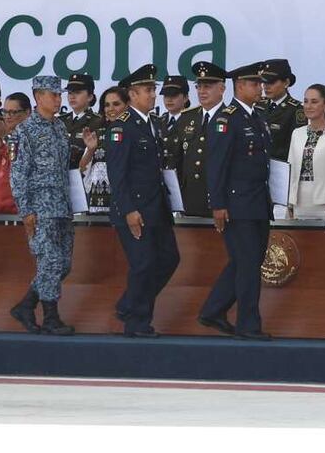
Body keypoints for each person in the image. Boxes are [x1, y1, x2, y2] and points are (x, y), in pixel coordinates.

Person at [198, 62, 273, 341]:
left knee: (247, 261)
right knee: (248, 264)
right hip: (236, 204)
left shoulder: (257, 117)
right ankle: (248, 325)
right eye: (254, 84)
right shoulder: (226, 119)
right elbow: (216, 165)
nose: (260, 88)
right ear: (239, 86)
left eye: (260, 84)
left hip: (258, 202)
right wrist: (217, 204)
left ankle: (213, 310)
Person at [105, 65, 180, 338]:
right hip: (134, 209)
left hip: (156, 207)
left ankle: (129, 304)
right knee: (143, 264)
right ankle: (137, 323)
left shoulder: (152, 123)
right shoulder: (121, 127)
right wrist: (128, 210)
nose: (153, 95)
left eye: (152, 90)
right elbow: (117, 174)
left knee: (170, 258)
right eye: (148, 90)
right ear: (133, 94)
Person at [9, 76, 74, 336]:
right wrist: (26, 211)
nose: (58, 99)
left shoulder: (60, 127)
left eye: (59, 94)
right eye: (53, 95)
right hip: (41, 209)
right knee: (50, 261)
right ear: (38, 97)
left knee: (63, 264)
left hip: (62, 207)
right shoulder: (24, 131)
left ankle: (26, 306)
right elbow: (18, 175)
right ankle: (50, 317)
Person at [165, 61, 227, 217]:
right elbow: (176, 160)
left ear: (222, 89)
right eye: (198, 87)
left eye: (207, 86)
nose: (202, 91)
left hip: (220, 202)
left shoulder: (231, 118)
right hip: (190, 201)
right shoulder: (187, 117)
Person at [287, 84, 325, 219]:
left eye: (314, 102)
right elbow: (291, 169)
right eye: (306, 101)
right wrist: (289, 203)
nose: (308, 106)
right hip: (299, 201)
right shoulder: (297, 133)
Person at [0, 93, 31, 214]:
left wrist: (5, 137)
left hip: (21, 208)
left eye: (13, 112)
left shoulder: (33, 135)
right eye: (5, 112)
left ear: (27, 112)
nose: (7, 116)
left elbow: (22, 161)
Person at [80, 86, 129, 214]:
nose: (111, 109)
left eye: (116, 104)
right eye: (107, 105)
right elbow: (82, 169)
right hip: (99, 203)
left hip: (127, 204)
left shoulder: (135, 132)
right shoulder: (98, 132)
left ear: (127, 105)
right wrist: (91, 150)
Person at [257, 59, 306, 161]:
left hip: (281, 166)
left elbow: (296, 147)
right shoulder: (257, 104)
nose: (266, 86)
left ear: (286, 83)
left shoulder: (297, 110)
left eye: (271, 82)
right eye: (264, 81)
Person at [60, 74, 103, 170]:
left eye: (77, 92)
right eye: (70, 93)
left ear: (90, 97)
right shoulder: (60, 121)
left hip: (85, 174)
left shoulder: (98, 122)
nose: (72, 96)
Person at [157, 75, 190, 163]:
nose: (169, 99)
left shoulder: (193, 121)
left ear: (185, 98)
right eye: (166, 95)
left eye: (174, 95)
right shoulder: (158, 121)